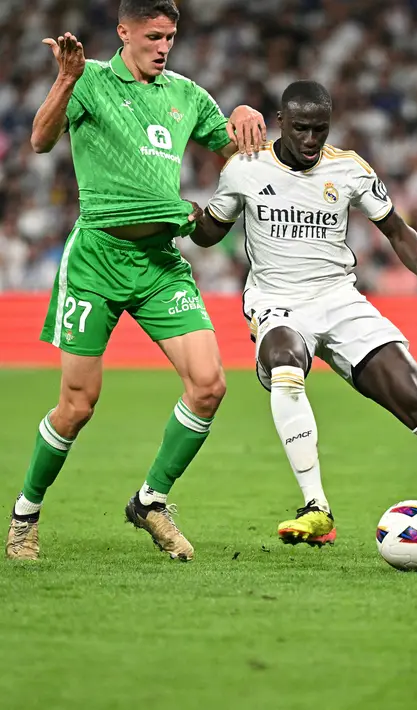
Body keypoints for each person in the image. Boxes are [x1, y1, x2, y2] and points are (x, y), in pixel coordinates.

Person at [190, 80, 417, 568]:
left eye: (319, 129)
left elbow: (397, 229)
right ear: (281, 123)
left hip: (341, 301)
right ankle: (316, 507)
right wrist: (184, 215)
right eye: (301, 128)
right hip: (278, 303)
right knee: (285, 364)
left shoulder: (348, 169)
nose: (310, 139)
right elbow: (209, 233)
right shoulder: (244, 167)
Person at [5, 0, 266, 562]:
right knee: (77, 405)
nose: (164, 47)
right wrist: (67, 80)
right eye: (153, 36)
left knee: (210, 385)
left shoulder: (186, 95)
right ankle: (25, 513)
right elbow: (40, 140)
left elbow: (243, 155)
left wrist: (244, 114)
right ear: (124, 32)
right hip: (96, 260)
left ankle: (151, 500)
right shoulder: (92, 81)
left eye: (171, 36)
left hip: (157, 264)